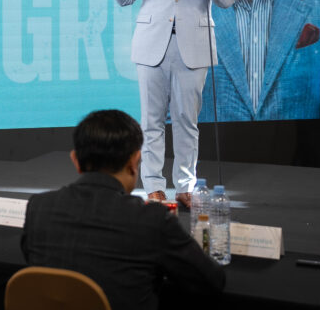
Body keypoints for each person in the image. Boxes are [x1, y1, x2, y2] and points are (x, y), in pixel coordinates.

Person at [98, 0, 236, 207]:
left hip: (193, 46)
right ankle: (154, 186)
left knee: (187, 120)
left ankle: (185, 186)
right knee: (151, 121)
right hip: (152, 46)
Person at [22, 109, 225, 310]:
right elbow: (212, 280)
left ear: (75, 160)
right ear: (134, 162)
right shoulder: (152, 220)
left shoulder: (39, 208)